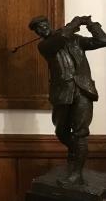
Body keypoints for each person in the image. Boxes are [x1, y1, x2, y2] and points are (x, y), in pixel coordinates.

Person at [29, 15, 106, 187]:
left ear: (49, 24)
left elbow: (102, 40)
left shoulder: (75, 39)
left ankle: (76, 174)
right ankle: (76, 152)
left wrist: (91, 24)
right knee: (61, 131)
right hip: (62, 94)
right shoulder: (44, 45)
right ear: (37, 33)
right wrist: (74, 23)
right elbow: (60, 38)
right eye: (38, 28)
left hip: (83, 90)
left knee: (80, 132)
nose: (42, 29)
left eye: (44, 25)